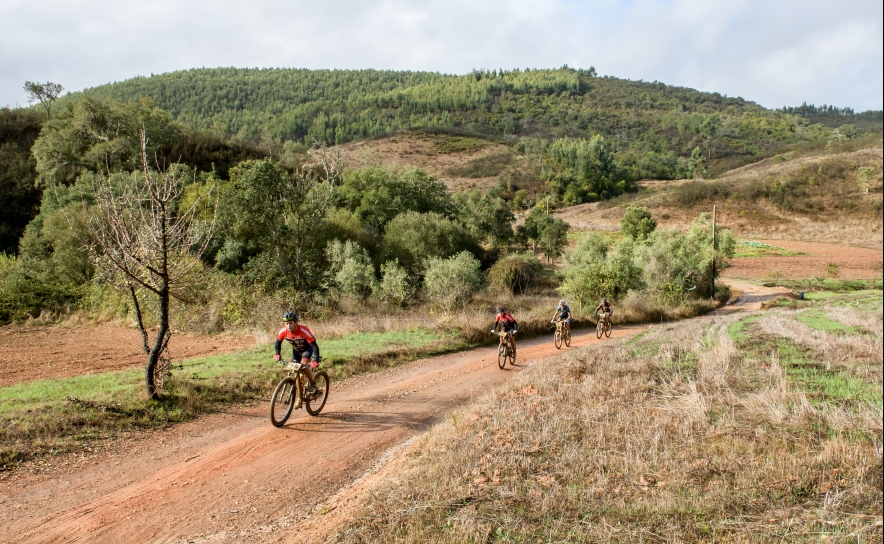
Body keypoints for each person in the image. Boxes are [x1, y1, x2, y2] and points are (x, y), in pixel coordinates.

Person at [274, 311, 321, 397]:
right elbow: (278, 343)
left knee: (303, 365)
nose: (288, 326)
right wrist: (277, 354)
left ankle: (312, 384)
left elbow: (315, 346)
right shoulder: (283, 331)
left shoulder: (303, 330)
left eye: (291, 323)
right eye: (286, 324)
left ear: (296, 323)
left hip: (307, 349)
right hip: (296, 351)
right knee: (296, 370)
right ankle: (300, 392)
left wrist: (316, 361)